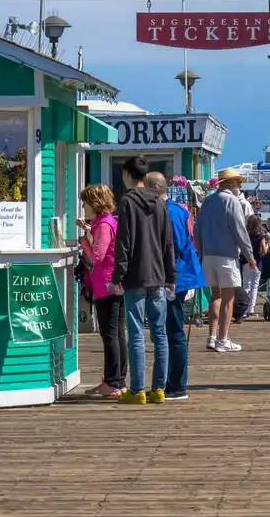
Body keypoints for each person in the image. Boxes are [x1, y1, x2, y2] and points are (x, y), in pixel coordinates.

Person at [110, 156, 175, 405]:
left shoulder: (127, 201)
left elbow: (124, 241)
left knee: (136, 333)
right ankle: (158, 389)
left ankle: (137, 390)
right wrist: (171, 275)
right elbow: (167, 241)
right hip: (158, 276)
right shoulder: (159, 202)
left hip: (136, 276)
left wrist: (117, 276)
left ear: (127, 174)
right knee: (160, 333)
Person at [150, 173, 203, 401]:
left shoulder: (168, 212)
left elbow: (177, 245)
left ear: (154, 188)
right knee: (172, 330)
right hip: (178, 275)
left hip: (176, 278)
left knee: (174, 330)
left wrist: (167, 275)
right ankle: (172, 382)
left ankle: (177, 385)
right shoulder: (177, 209)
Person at [194, 167, 255, 353]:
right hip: (226, 256)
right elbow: (240, 231)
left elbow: (197, 230)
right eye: (238, 182)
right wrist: (250, 256)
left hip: (208, 256)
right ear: (230, 184)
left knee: (215, 295)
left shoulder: (208, 201)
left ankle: (211, 337)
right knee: (229, 299)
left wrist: (201, 252)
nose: (239, 186)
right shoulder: (232, 201)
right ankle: (223, 339)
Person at [78, 183, 124, 398]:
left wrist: (83, 242)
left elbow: (97, 255)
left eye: (85, 202)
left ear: (95, 203)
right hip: (112, 284)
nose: (83, 206)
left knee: (110, 334)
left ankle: (113, 381)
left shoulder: (104, 225)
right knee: (116, 333)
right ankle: (115, 380)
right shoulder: (104, 223)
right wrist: (88, 231)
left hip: (106, 284)